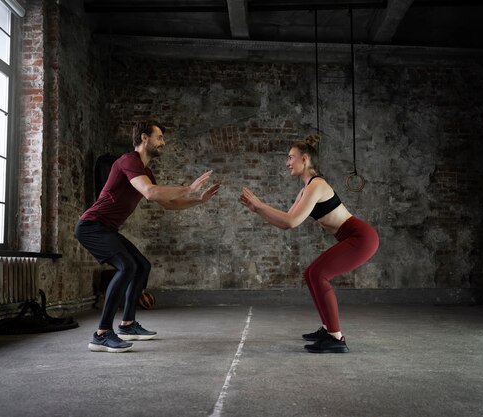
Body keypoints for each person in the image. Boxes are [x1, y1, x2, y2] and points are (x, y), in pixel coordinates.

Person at [75, 120, 220, 353]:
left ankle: (128, 324)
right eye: (159, 137)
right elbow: (150, 193)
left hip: (106, 228)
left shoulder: (145, 171)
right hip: (91, 226)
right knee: (126, 266)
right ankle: (101, 334)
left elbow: (168, 203)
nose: (162, 142)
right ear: (144, 138)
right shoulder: (128, 160)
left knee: (141, 266)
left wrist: (198, 200)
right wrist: (189, 188)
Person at [239, 138, 379, 353]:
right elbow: (287, 222)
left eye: (290, 158)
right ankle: (328, 329)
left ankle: (336, 338)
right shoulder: (306, 189)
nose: (287, 163)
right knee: (312, 273)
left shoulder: (317, 185)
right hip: (353, 237)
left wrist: (261, 205)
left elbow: (291, 221)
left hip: (361, 238)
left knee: (317, 273)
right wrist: (258, 209)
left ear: (304, 159)